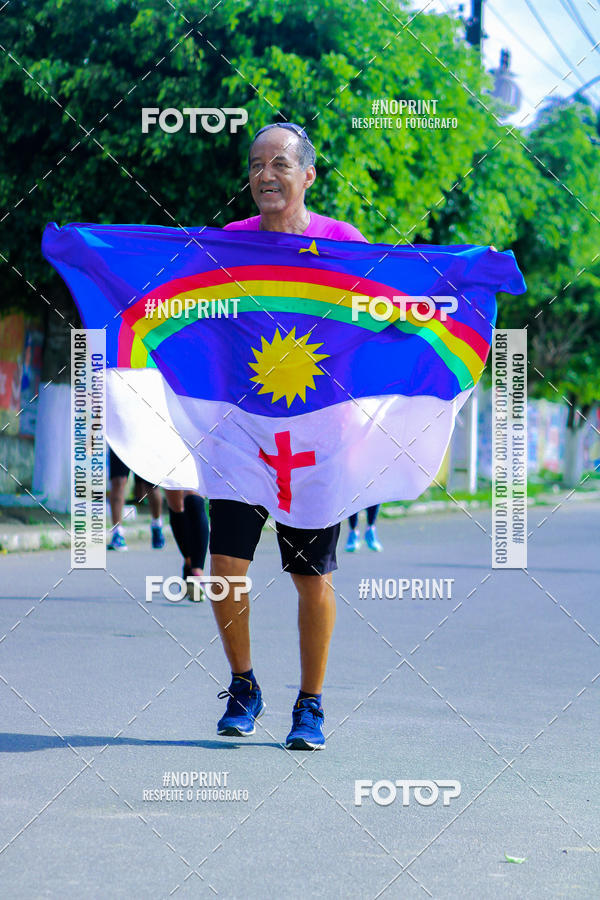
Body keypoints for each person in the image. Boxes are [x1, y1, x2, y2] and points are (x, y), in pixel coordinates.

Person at [211, 122, 368, 750]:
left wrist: (468, 282)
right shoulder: (226, 246)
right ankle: (244, 684)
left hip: (314, 434)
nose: (265, 175)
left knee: (311, 576)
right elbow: (189, 313)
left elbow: (390, 308)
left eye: (280, 163)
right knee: (226, 565)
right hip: (242, 429)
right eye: (256, 164)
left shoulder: (344, 243)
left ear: (307, 175)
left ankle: (311, 704)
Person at [107, 447, 165, 551]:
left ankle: (157, 525)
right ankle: (117, 533)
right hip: (120, 442)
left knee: (151, 485)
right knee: (118, 482)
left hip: (143, 441)